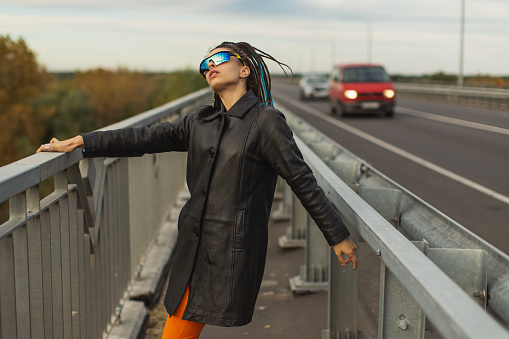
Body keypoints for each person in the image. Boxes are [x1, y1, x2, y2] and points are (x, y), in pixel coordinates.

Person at [37, 41, 358, 339]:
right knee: (178, 329)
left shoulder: (266, 121)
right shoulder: (200, 121)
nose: (210, 66)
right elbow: (144, 138)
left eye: (218, 58)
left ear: (244, 69)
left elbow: (301, 179)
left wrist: (337, 235)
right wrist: (84, 141)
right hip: (192, 245)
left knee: (177, 331)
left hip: (229, 250)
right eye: (205, 64)